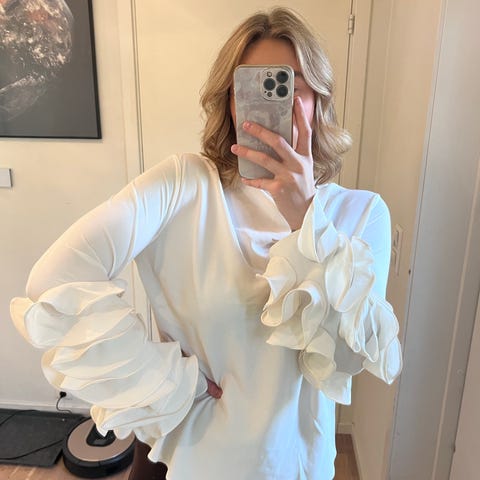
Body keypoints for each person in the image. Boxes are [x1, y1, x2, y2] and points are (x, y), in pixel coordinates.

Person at [10, 7, 402, 480]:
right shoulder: (183, 186)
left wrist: (304, 214)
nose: (273, 101)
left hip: (294, 467)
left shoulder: (362, 215)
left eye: (289, 85)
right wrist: (169, 379)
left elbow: (346, 357)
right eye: (250, 87)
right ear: (230, 103)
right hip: (190, 462)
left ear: (319, 99)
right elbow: (53, 280)